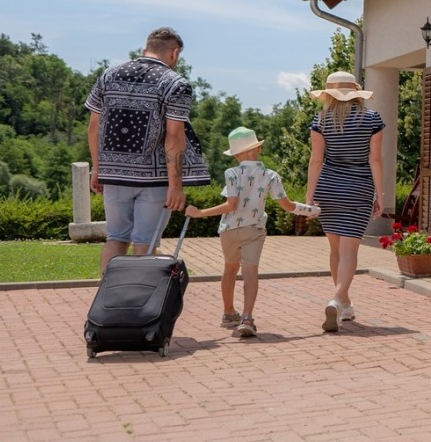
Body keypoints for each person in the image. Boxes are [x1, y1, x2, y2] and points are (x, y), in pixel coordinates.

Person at [86, 26, 210, 273]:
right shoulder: (175, 83)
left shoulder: (109, 75)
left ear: (146, 48)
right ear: (174, 53)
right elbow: (174, 136)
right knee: (145, 243)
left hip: (114, 175)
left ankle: (108, 294)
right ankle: (138, 295)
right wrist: (176, 185)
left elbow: (93, 127)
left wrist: (97, 170)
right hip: (154, 180)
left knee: (116, 238)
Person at [186, 126, 317, 339]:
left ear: (236, 155)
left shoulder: (231, 173)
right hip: (254, 229)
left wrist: (200, 213)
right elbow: (287, 206)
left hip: (229, 230)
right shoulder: (271, 175)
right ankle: (247, 318)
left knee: (229, 269)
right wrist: (312, 210)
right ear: (258, 149)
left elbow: (231, 205)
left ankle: (228, 313)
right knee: (250, 272)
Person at [306, 71, 384, 332]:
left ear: (329, 94)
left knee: (336, 250)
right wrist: (380, 194)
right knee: (349, 252)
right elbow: (375, 160)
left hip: (328, 188)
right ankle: (338, 299)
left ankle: (345, 304)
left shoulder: (320, 119)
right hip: (358, 188)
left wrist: (310, 196)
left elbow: (316, 160)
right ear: (356, 93)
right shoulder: (372, 118)